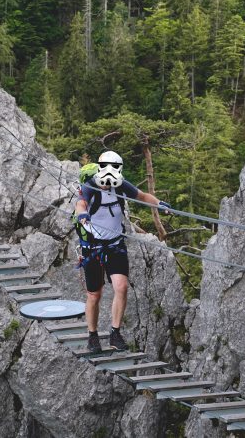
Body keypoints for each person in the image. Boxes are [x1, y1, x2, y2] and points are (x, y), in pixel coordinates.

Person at [74, 150, 170, 353]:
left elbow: (142, 196)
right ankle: (92, 336)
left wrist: (159, 204)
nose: (108, 180)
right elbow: (80, 203)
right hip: (93, 247)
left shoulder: (121, 185)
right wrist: (83, 215)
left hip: (115, 245)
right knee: (94, 295)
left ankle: (115, 333)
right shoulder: (89, 186)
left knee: (122, 286)